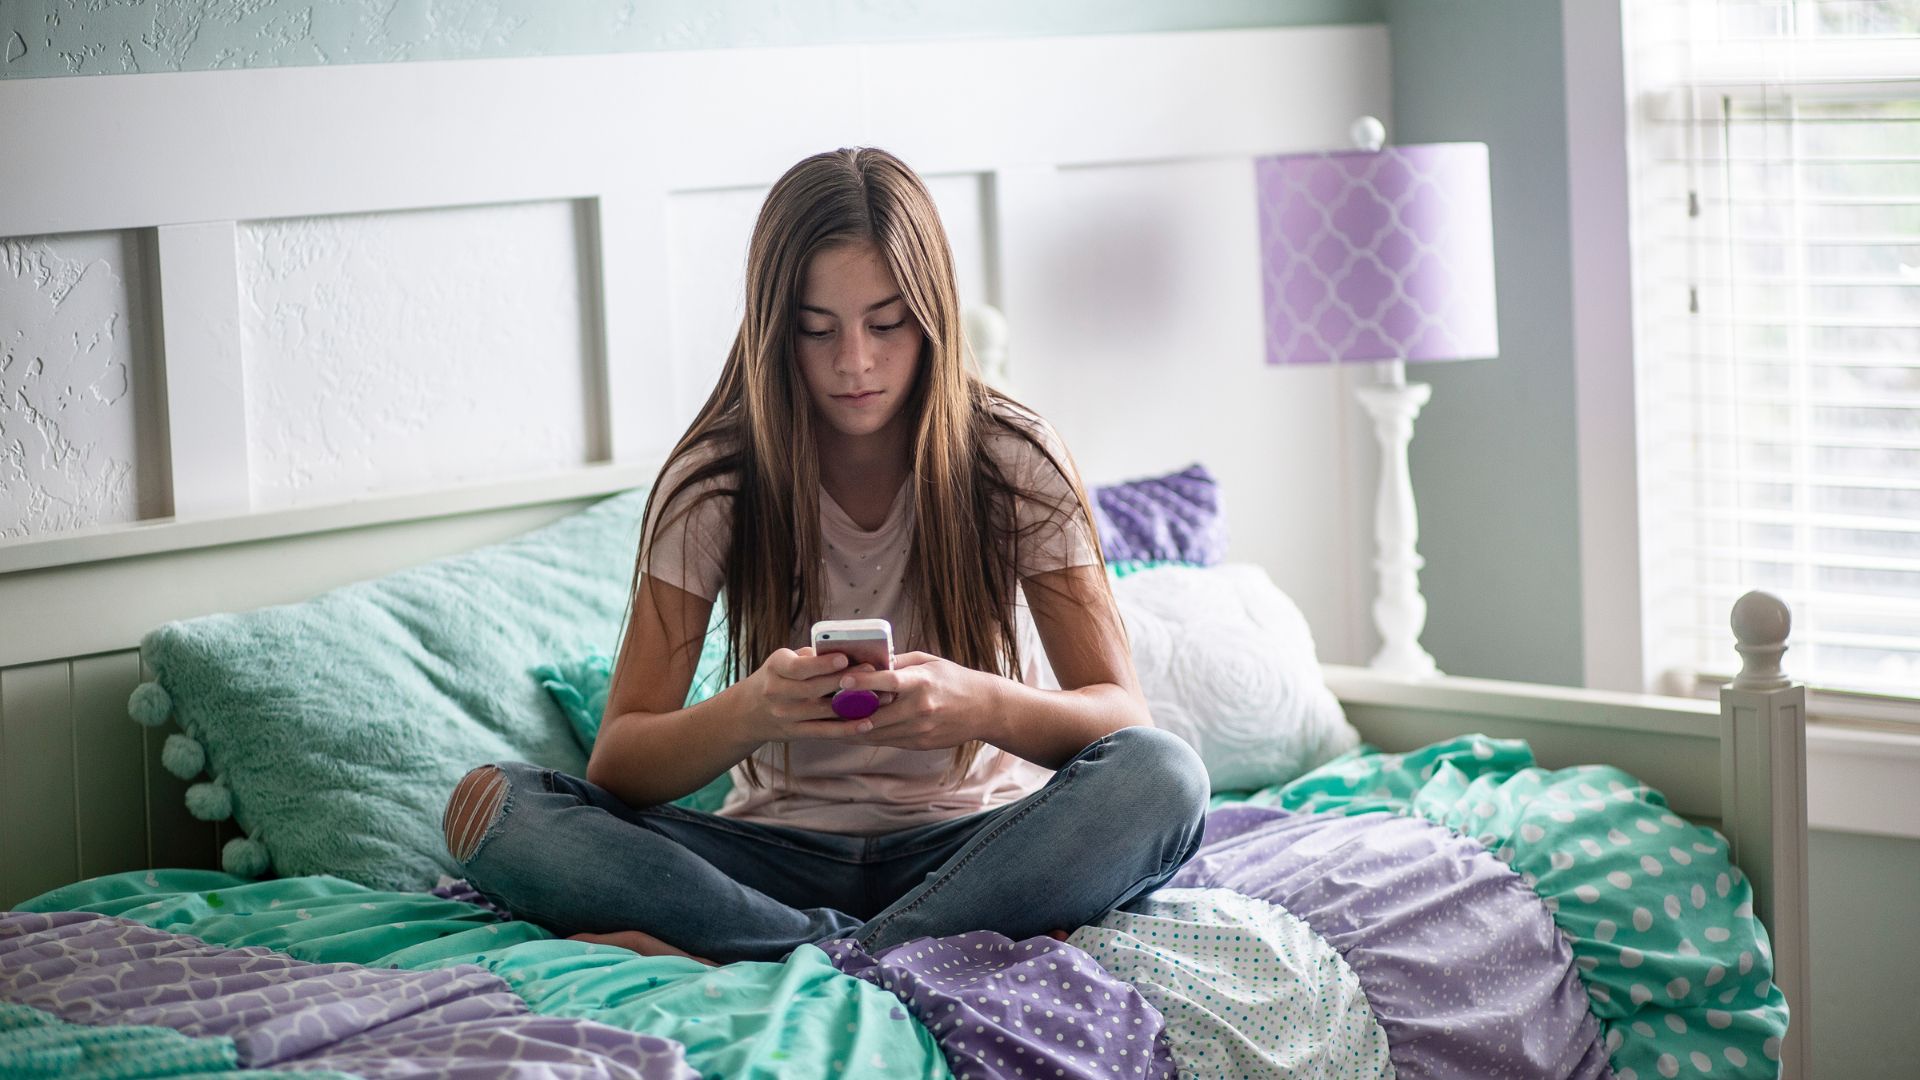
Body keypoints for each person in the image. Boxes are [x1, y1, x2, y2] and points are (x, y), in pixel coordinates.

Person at [441, 147, 1209, 965]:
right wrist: (756, 710)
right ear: (777, 330)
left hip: (975, 851)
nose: (855, 362)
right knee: (491, 808)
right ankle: (864, 949)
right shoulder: (716, 481)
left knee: (1167, 778)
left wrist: (979, 704)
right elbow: (621, 761)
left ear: (934, 317)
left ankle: (794, 952)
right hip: (771, 861)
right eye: (818, 330)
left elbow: (1122, 721)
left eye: (886, 324)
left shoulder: (1014, 456)